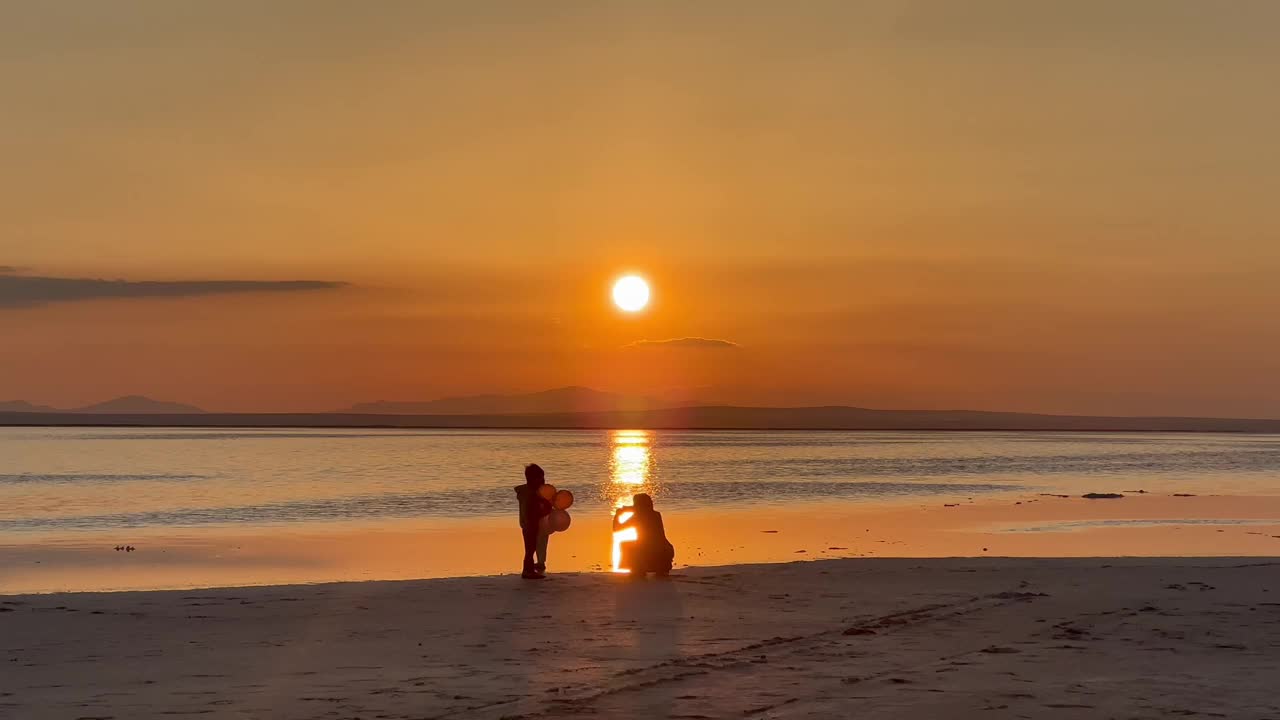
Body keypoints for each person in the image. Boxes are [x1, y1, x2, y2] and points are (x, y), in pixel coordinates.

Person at [613, 493, 675, 577]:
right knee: (646, 547)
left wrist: (617, 515)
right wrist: (628, 509)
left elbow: (616, 529)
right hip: (666, 550)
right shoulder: (656, 514)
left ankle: (638, 570)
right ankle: (661, 569)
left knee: (625, 545)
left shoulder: (637, 517)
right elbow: (642, 508)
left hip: (648, 551)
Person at [514, 463, 553, 579]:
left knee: (531, 548)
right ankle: (527, 570)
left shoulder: (526, 492)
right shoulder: (532, 494)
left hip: (526, 523)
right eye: (541, 478)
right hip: (530, 524)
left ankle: (529, 569)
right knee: (530, 548)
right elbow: (535, 511)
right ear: (533, 480)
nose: (543, 480)